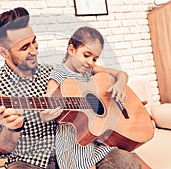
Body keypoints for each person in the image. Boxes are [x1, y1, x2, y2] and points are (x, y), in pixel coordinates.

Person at [0, 7, 141, 169]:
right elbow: (1, 150)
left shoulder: (58, 71)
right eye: (24, 47)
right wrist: (12, 129)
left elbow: (102, 85)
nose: (34, 50)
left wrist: (123, 106)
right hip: (30, 162)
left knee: (126, 162)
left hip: (78, 152)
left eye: (34, 41)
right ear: (4, 53)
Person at [41, 26, 141, 169]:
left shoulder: (90, 70)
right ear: (71, 49)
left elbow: (121, 74)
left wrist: (120, 85)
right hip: (73, 142)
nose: (91, 62)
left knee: (128, 162)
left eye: (95, 58)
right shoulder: (59, 74)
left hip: (98, 141)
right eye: (86, 55)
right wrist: (46, 114)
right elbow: (49, 102)